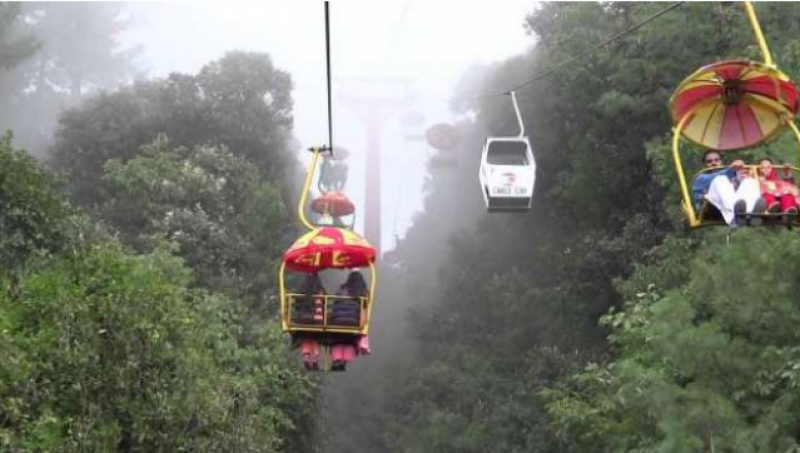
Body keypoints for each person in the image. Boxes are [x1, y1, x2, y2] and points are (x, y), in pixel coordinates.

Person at [691, 150, 765, 226]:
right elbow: (698, 199)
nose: (714, 163)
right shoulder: (701, 178)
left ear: (721, 161)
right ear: (705, 164)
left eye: (717, 160)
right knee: (720, 179)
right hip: (711, 206)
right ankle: (735, 218)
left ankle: (751, 215)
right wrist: (732, 168)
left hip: (731, 204)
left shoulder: (730, 174)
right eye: (709, 161)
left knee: (749, 181)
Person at [329, 271, 371, 371]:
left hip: (337, 321)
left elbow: (335, 306)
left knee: (338, 339)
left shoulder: (341, 289)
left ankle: (336, 359)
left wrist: (332, 319)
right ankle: (344, 361)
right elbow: (364, 310)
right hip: (353, 322)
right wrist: (363, 326)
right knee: (351, 340)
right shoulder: (363, 293)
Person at [291, 273, 326, 370]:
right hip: (316, 320)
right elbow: (324, 304)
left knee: (306, 337)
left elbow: (296, 305)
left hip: (303, 320)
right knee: (315, 338)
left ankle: (306, 358)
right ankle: (314, 359)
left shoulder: (301, 290)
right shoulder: (320, 291)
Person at [758, 158, 799, 222]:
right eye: (763, 167)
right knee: (767, 195)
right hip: (770, 197)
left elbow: (788, 184)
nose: (766, 169)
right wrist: (762, 180)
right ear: (759, 169)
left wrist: (787, 173)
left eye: (768, 167)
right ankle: (772, 207)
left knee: (788, 196)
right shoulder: (757, 177)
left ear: (772, 168)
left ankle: (789, 211)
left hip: (780, 196)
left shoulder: (778, 176)